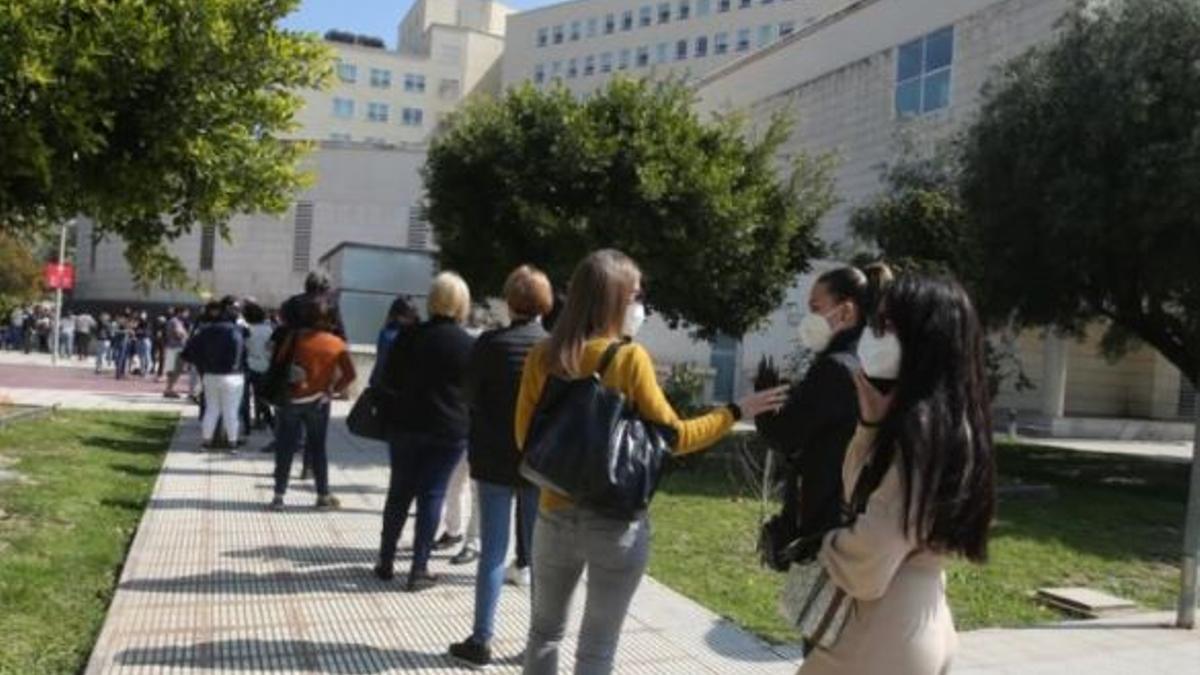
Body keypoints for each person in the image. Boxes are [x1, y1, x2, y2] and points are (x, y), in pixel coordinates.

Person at [514, 250, 788, 675]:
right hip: (615, 522)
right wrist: (736, 411)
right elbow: (674, 438)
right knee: (596, 650)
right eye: (637, 296)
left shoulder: (543, 355)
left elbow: (525, 438)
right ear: (613, 299)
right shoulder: (628, 358)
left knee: (544, 634)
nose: (641, 307)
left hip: (553, 515)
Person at [798, 274, 996, 675]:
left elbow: (868, 560)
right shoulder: (953, 424)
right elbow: (863, 495)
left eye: (886, 327)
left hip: (881, 628)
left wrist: (824, 543)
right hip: (924, 613)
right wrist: (871, 427)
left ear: (923, 338)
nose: (873, 336)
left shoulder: (917, 436)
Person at [447, 265, 553, 669]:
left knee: (492, 552)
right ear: (546, 302)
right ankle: (538, 645)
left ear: (510, 300)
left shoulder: (490, 344)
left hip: (492, 458)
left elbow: (468, 395)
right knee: (540, 556)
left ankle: (481, 640)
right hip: (539, 463)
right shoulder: (553, 345)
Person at [756, 264, 893, 547]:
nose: (809, 319)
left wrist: (764, 401)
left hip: (822, 524)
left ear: (845, 312)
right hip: (848, 516)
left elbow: (786, 437)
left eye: (816, 308)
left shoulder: (833, 369)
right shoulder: (863, 363)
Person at [374, 272, 476, 592]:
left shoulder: (406, 336)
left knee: (399, 492)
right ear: (462, 304)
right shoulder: (468, 344)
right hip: (448, 429)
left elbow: (388, 378)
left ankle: (386, 560)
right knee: (433, 494)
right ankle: (418, 568)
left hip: (405, 424)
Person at [269, 297, 355, 511]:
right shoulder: (336, 343)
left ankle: (279, 496)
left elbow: (278, 362)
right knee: (318, 448)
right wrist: (332, 390)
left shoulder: (293, 338)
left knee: (285, 447)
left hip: (291, 399)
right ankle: (323, 495)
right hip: (319, 402)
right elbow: (350, 375)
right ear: (328, 319)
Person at [183, 302, 246, 451]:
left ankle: (206, 441)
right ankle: (232, 443)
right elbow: (239, 353)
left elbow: (188, 351)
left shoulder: (205, 331)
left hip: (210, 374)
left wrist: (202, 364)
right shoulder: (236, 331)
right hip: (232, 375)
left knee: (212, 409)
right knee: (231, 410)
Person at [369, 296, 420, 386]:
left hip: (381, 383)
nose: (412, 319)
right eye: (409, 315)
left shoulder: (386, 332)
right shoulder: (394, 336)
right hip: (391, 385)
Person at [281, 270, 346, 339]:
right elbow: (340, 331)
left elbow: (286, 322)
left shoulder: (293, 301)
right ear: (325, 287)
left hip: (297, 343)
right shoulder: (331, 304)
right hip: (326, 343)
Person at [243, 300, 276, 431]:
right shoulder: (269, 330)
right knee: (261, 395)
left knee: (246, 396)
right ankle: (264, 419)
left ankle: (249, 424)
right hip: (265, 364)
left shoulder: (247, 330)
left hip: (250, 364)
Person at [162, 308, 190, 398]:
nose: (187, 315)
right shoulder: (175, 322)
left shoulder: (174, 321)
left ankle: (169, 389)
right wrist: (186, 335)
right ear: (180, 313)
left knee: (172, 370)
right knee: (176, 369)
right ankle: (170, 389)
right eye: (186, 313)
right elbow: (178, 334)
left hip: (172, 347)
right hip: (177, 348)